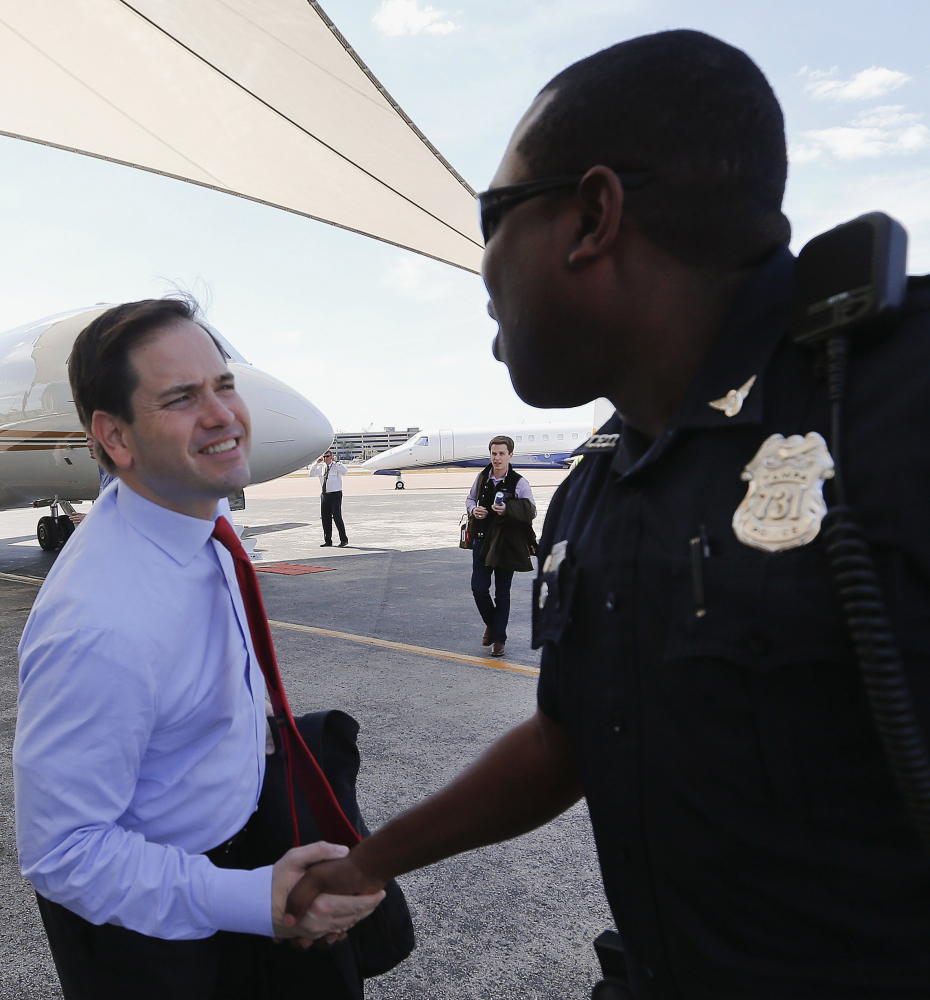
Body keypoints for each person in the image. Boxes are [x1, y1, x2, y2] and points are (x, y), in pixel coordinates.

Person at [283, 30, 930, 999]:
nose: (482, 271)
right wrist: (372, 861)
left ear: (592, 215)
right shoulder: (601, 483)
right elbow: (568, 738)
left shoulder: (900, 404)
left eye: (490, 216)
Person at [13, 298, 383, 1000]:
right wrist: (248, 901)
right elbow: (62, 852)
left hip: (242, 850)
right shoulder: (99, 624)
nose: (223, 415)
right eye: (181, 397)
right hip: (157, 924)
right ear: (114, 438)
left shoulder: (199, 517)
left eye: (223, 384)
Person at [465, 435, 536, 657]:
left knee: (502, 593)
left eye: (501, 454)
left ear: (510, 455)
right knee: (479, 588)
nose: (497, 458)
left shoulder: (519, 482)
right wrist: (473, 510)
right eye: (494, 454)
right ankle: (494, 625)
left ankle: (499, 641)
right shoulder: (482, 477)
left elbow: (531, 510)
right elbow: (470, 500)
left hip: (506, 545)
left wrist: (508, 510)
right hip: (482, 541)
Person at [69, 436, 117, 526]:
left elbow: (129, 515)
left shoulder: (120, 473)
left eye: (94, 440)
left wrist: (91, 519)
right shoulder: (105, 470)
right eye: (87, 440)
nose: (88, 444)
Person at [310, 451, 349, 547]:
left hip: (335, 494)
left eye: (327, 456)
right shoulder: (321, 467)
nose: (325, 458)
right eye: (324, 456)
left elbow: (345, 471)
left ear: (331, 457)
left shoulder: (336, 466)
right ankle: (328, 540)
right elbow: (311, 474)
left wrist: (337, 462)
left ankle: (344, 539)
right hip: (325, 495)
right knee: (325, 518)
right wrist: (316, 462)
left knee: (337, 517)